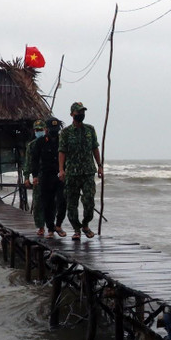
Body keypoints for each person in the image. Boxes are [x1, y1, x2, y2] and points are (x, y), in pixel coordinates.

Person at [58, 102, 103, 240]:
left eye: (83, 112)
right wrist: (61, 169)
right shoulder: (66, 132)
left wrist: (100, 166)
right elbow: (62, 151)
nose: (81, 114)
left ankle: (85, 225)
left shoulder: (90, 129)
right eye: (78, 112)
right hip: (72, 173)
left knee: (89, 201)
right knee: (72, 203)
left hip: (88, 171)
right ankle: (76, 229)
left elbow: (95, 148)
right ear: (72, 114)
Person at [31, 118, 67, 239]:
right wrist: (35, 176)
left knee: (62, 201)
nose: (54, 131)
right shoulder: (40, 142)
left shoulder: (63, 141)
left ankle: (59, 225)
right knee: (47, 203)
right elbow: (35, 160)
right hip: (46, 176)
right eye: (52, 129)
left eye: (56, 129)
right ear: (47, 129)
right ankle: (50, 228)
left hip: (60, 175)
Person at [23, 120, 46, 236]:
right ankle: (40, 227)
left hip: (50, 177)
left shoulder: (51, 143)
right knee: (37, 203)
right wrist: (26, 177)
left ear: (45, 130)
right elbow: (28, 162)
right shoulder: (31, 145)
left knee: (52, 203)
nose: (39, 132)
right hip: (37, 178)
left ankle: (51, 226)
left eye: (41, 129)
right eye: (37, 130)